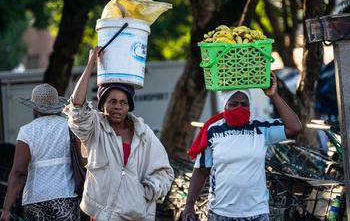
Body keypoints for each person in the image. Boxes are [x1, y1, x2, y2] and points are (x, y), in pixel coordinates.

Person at [63, 47, 174, 220]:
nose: (118, 107)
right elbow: (77, 106)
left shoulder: (144, 134)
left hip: (135, 215)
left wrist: (148, 190)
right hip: (101, 215)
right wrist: (91, 63)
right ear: (102, 105)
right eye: (112, 101)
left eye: (123, 103)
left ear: (129, 107)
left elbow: (165, 172)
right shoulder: (95, 128)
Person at [182, 73, 302, 221]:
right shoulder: (212, 130)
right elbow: (201, 171)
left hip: (256, 212)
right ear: (225, 104)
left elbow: (294, 127)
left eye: (244, 104)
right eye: (233, 103)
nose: (239, 107)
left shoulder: (260, 127)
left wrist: (274, 96)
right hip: (220, 212)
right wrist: (189, 205)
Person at [0, 83, 80, 221]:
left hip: (35, 201)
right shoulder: (70, 128)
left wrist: (6, 209)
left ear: (35, 108)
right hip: (66, 197)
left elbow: (19, 172)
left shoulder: (27, 132)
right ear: (56, 106)